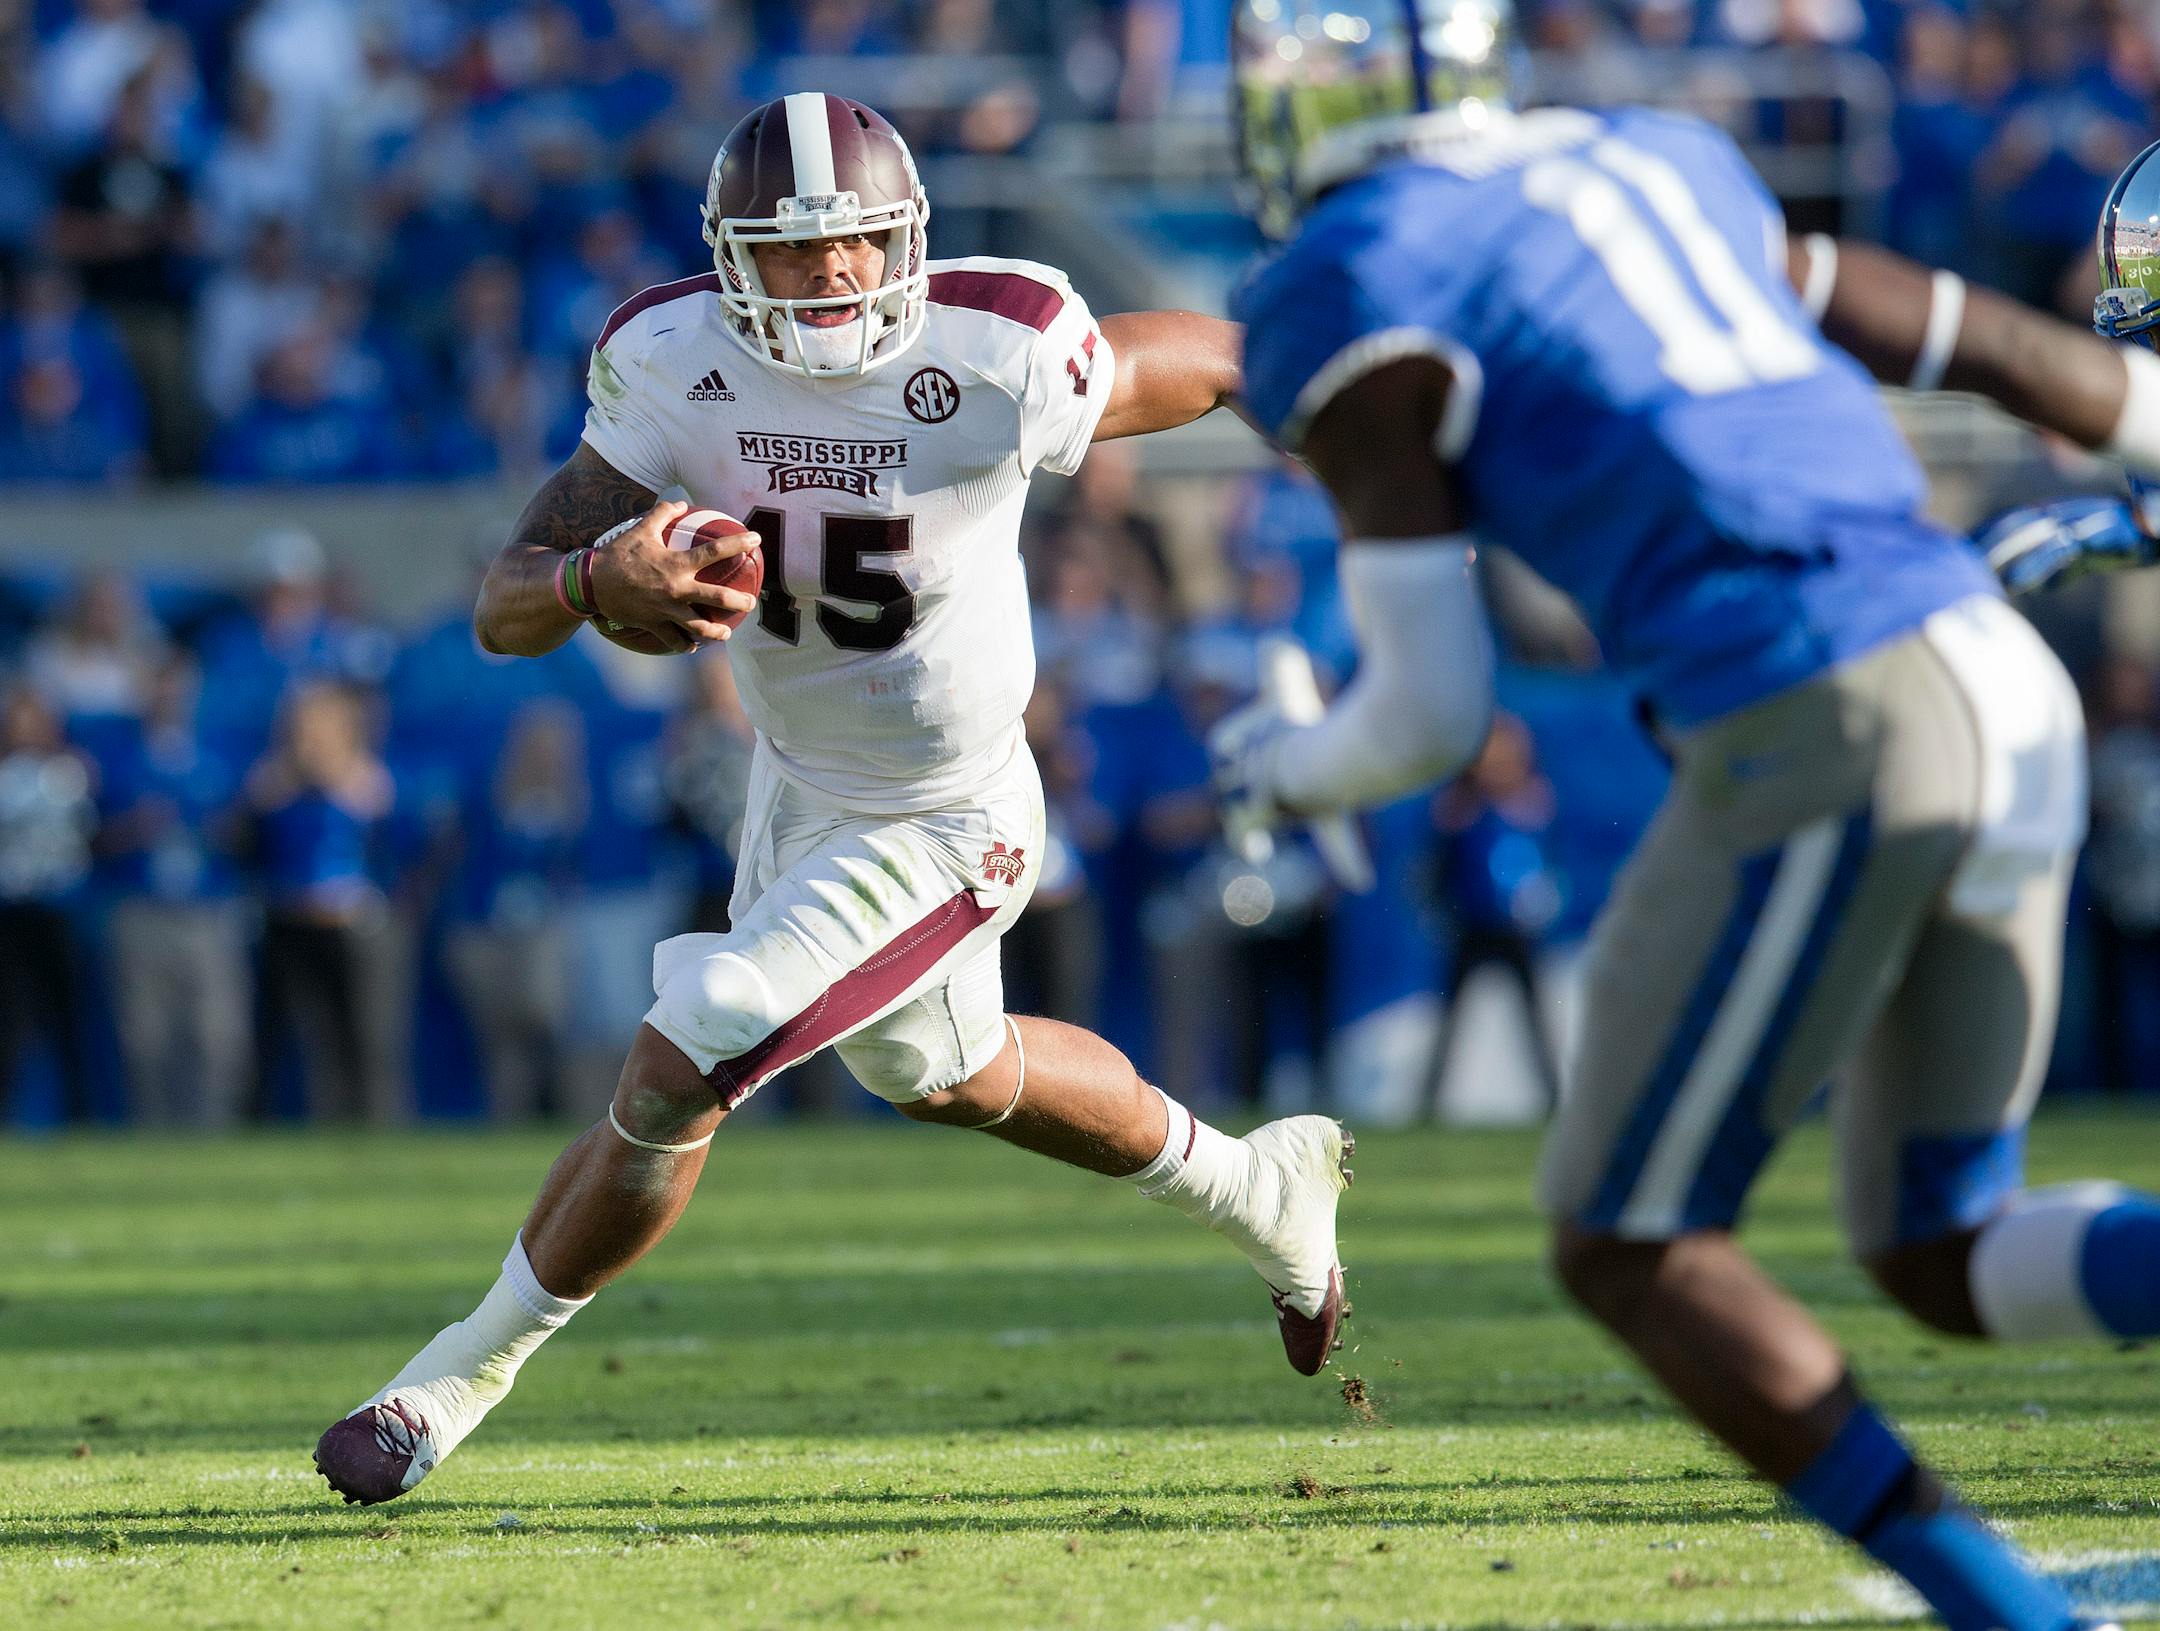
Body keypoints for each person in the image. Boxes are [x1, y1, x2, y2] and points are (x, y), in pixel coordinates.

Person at [1216, 6, 2160, 1629]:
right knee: (1940, 1249)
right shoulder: (1658, 155)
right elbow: (1978, 341)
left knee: (1627, 1246)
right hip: (1994, 672)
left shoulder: (1346, 280)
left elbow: (1429, 715)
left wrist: (1280, 770)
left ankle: (2015, 1620)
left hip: (1825, 698)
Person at [312, 92, 1350, 1508]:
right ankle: (1260, 1195)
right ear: (731, 259)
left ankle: (448, 1382)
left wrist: (1390, 459)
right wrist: (590, 581)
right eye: (797, 253)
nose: (839, 277)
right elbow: (507, 603)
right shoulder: (672, 360)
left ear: (908, 237)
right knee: (956, 1076)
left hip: (952, 812)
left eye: (863, 244)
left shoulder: (997, 345)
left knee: (696, 1046)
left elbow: (1226, 362)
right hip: (796, 789)